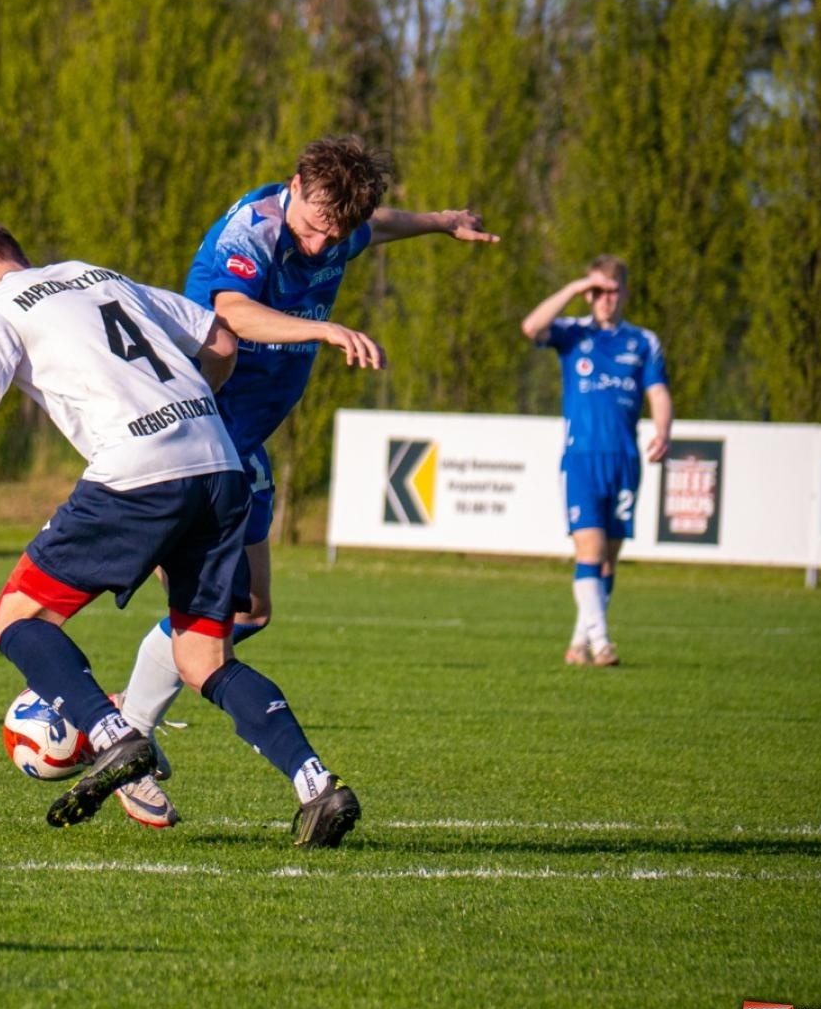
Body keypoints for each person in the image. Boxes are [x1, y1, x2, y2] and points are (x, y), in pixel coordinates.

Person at [0, 222, 360, 847]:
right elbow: (219, 337)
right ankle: (317, 784)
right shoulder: (95, 275)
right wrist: (190, 409)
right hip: (218, 462)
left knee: (16, 617)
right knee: (203, 659)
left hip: (139, 471)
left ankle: (111, 734)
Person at [112, 135, 499, 823]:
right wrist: (322, 331)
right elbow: (230, 312)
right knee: (202, 625)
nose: (321, 245)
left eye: (336, 235)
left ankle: (124, 718)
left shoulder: (339, 226)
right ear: (293, 185)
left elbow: (378, 227)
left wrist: (442, 222)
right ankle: (125, 737)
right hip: (197, 437)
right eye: (315, 226)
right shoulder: (253, 232)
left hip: (244, 443)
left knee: (250, 612)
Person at [520, 254, 672, 666]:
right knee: (589, 550)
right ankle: (602, 643)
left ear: (625, 293)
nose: (606, 299)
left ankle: (579, 644)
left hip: (624, 459)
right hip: (581, 460)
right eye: (598, 291)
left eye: (613, 291)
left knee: (607, 561)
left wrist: (663, 431)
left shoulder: (643, 342)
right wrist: (573, 288)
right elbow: (531, 327)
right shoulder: (573, 334)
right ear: (589, 294)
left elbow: (658, 392)